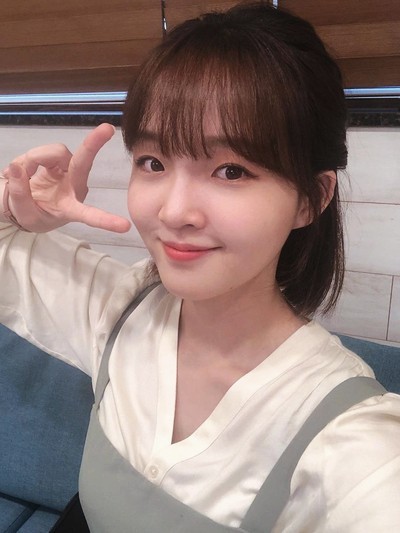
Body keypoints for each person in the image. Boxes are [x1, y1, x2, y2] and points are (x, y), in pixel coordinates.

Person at [1, 1, 399, 531]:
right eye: (153, 162)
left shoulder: (347, 435)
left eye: (231, 170)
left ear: (312, 198)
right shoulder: (119, 311)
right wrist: (13, 207)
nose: (173, 212)